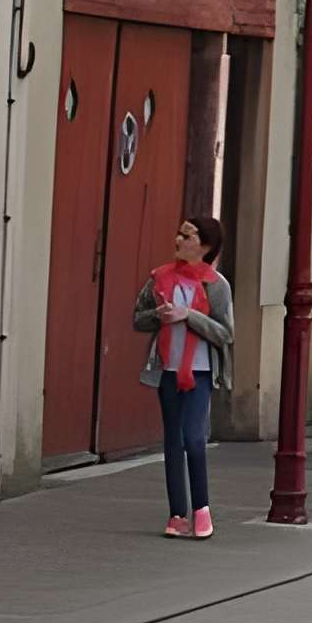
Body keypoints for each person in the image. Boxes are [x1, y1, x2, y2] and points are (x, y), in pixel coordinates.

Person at [130, 213, 233, 539]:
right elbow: (138, 319)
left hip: (200, 373)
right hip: (168, 371)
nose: (178, 241)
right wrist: (159, 316)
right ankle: (177, 515)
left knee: (193, 439)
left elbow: (225, 334)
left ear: (204, 246)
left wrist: (188, 315)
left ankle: (201, 510)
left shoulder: (216, 286)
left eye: (187, 237)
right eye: (179, 234)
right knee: (173, 442)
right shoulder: (159, 278)